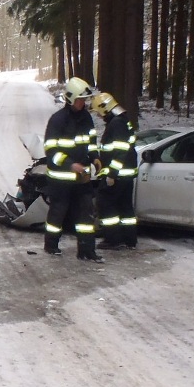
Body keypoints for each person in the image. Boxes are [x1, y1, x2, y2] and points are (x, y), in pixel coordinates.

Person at [43, 76, 102, 261]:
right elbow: (51, 150)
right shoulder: (57, 120)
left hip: (81, 177)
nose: (82, 103)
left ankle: (87, 250)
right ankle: (51, 245)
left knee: (86, 213)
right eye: (79, 99)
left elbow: (91, 143)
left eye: (84, 100)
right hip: (60, 179)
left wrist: (95, 158)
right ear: (70, 98)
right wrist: (70, 164)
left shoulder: (86, 119)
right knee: (58, 213)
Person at [91, 92, 138, 249]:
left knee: (105, 203)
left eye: (99, 111)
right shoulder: (123, 121)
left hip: (117, 175)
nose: (98, 115)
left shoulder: (116, 123)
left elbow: (120, 150)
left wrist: (112, 173)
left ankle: (113, 239)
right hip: (126, 174)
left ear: (105, 108)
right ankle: (129, 238)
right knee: (125, 206)